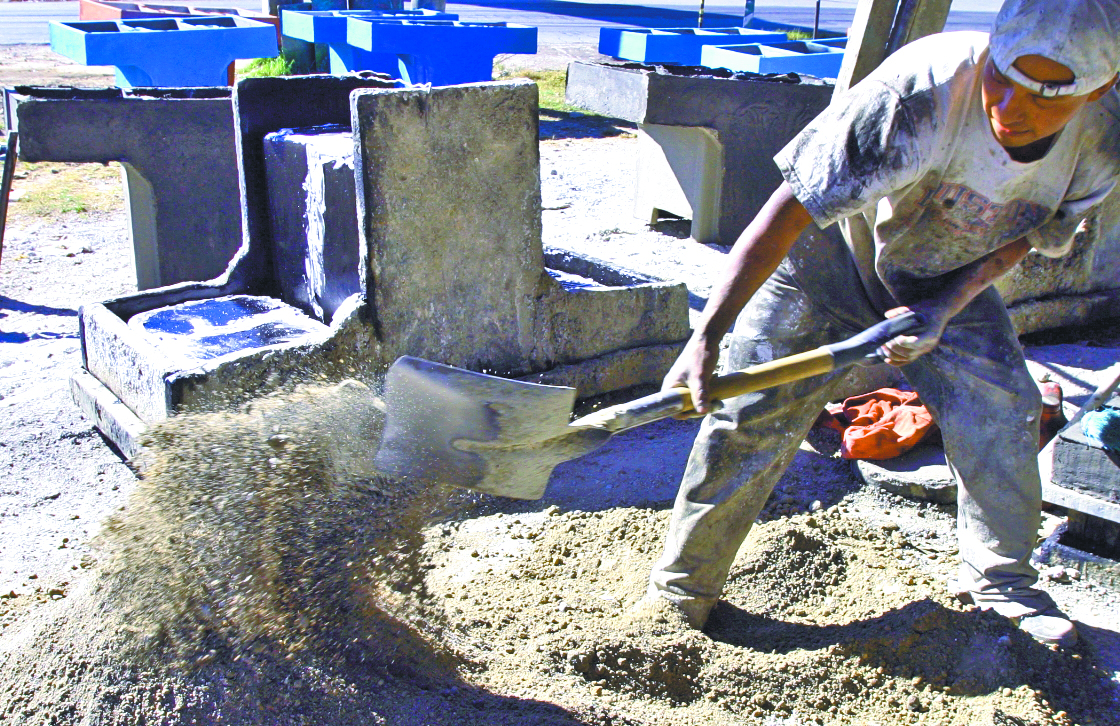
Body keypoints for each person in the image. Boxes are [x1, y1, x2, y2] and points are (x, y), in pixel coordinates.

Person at [642, 0, 1120, 647]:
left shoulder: (1102, 138)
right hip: (828, 262)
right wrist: (709, 336)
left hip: (947, 278)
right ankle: (684, 588)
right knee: (751, 412)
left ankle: (1005, 586)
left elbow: (1029, 234)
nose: (1011, 107)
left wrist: (946, 307)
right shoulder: (920, 91)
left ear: (1100, 88)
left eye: (1044, 97)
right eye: (1002, 78)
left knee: (1005, 404)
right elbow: (790, 209)